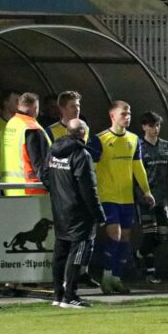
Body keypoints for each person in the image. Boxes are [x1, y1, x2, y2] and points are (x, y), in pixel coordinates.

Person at [88, 101, 155, 294]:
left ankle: (116, 278)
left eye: (129, 113)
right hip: (107, 195)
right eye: (123, 114)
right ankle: (106, 277)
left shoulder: (133, 139)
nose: (127, 117)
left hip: (127, 197)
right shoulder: (100, 139)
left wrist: (146, 191)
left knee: (125, 236)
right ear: (112, 116)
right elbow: (90, 168)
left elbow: (138, 166)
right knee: (114, 234)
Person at [43, 119, 104, 309]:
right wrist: (98, 214)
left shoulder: (53, 151)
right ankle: (70, 296)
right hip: (79, 213)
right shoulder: (81, 154)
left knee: (60, 252)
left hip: (59, 210)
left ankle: (57, 295)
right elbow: (88, 189)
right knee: (76, 254)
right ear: (83, 134)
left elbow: (45, 176)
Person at [135, 111, 168, 284]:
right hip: (144, 196)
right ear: (144, 127)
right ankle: (150, 271)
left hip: (161, 196)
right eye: (151, 126)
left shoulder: (166, 146)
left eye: (157, 125)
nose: (155, 129)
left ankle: (138, 254)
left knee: (162, 235)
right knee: (150, 233)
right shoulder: (138, 146)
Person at [2, 92, 51, 197]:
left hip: (10, 189)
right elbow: (39, 164)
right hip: (32, 191)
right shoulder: (31, 128)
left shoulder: (12, 123)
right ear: (35, 107)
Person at [0, 88, 22, 186]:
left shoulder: (22, 126)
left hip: (17, 176)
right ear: (5, 102)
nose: (19, 104)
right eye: (16, 101)